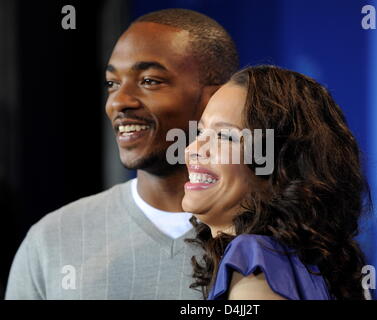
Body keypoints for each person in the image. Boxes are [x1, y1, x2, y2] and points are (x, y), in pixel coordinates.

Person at [5, 8, 238, 300]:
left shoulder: (276, 234)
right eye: (112, 84)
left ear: (215, 99)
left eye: (150, 81)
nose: (118, 102)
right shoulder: (53, 237)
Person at [182, 65, 372, 300]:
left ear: (281, 169)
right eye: (200, 133)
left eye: (225, 136)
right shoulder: (304, 264)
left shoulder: (253, 258)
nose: (192, 150)